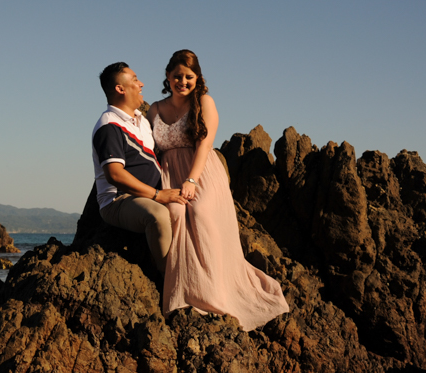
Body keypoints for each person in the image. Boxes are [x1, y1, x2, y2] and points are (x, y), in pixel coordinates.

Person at [147, 49, 289, 331]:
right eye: (177, 76)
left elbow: (205, 143)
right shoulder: (155, 108)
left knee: (199, 213)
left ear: (197, 78)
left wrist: (192, 180)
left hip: (201, 172)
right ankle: (181, 289)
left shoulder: (204, 102)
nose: (182, 81)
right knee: (173, 214)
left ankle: (214, 294)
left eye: (188, 76)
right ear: (167, 76)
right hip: (168, 173)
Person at [92, 62, 186, 273]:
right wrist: (157, 195)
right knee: (159, 216)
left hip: (149, 192)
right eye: (135, 79)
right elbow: (115, 175)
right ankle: (169, 284)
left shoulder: (142, 121)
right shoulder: (109, 125)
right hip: (119, 200)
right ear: (120, 89)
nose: (141, 83)